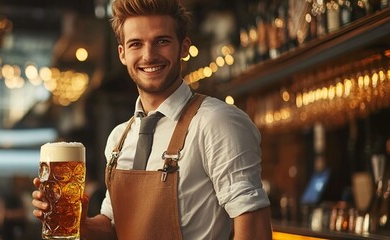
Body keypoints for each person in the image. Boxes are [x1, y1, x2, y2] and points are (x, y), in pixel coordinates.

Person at [31, 0, 272, 239]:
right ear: (123, 54)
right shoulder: (118, 138)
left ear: (184, 47)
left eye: (162, 41)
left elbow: (254, 224)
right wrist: (79, 223)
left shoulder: (217, 122)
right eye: (136, 44)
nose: (149, 55)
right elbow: (113, 226)